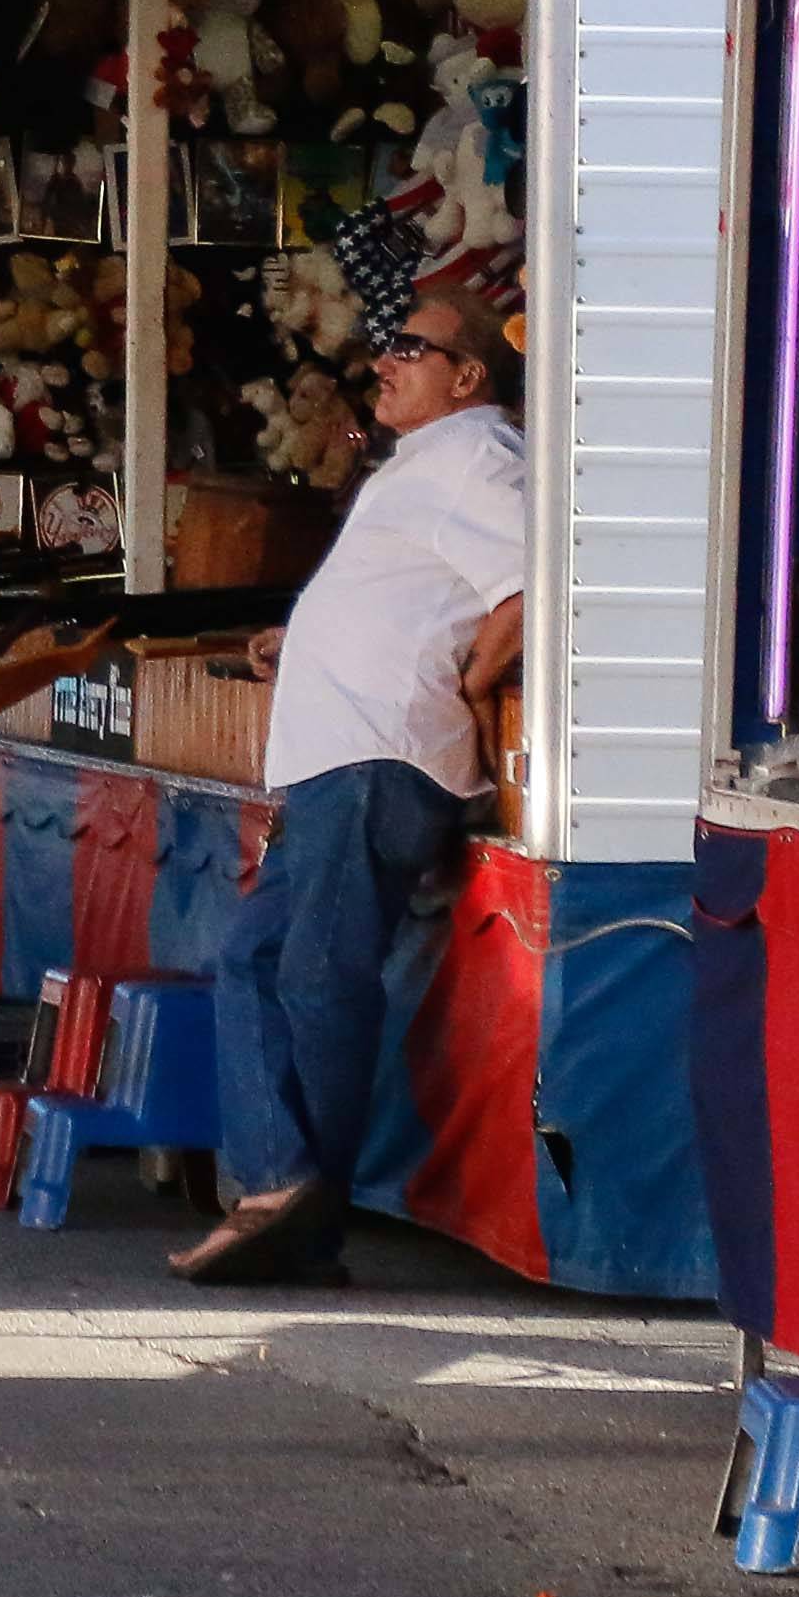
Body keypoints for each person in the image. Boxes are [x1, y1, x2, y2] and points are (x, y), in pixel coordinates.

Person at [180, 285, 529, 1287]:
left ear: (465, 377)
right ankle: (281, 1193)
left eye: (410, 348)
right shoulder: (428, 463)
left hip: (379, 756)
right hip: (341, 753)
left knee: (317, 978)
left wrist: (467, 678)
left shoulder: (478, 455)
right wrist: (311, 635)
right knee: (255, 961)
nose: (384, 361)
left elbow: (533, 578)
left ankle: (292, 1205)